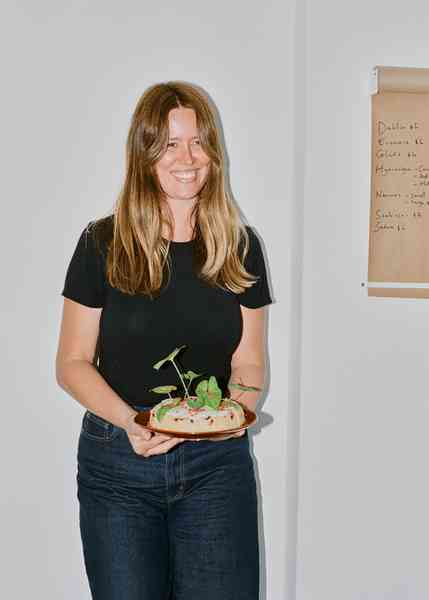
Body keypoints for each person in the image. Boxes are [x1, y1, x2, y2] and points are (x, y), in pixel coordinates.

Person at [56, 81, 272, 600]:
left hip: (216, 469)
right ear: (144, 153)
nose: (187, 158)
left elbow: (249, 364)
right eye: (170, 144)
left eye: (199, 142)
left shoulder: (241, 248)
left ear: (214, 153)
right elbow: (72, 362)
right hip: (118, 465)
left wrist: (228, 418)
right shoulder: (102, 244)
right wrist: (132, 422)